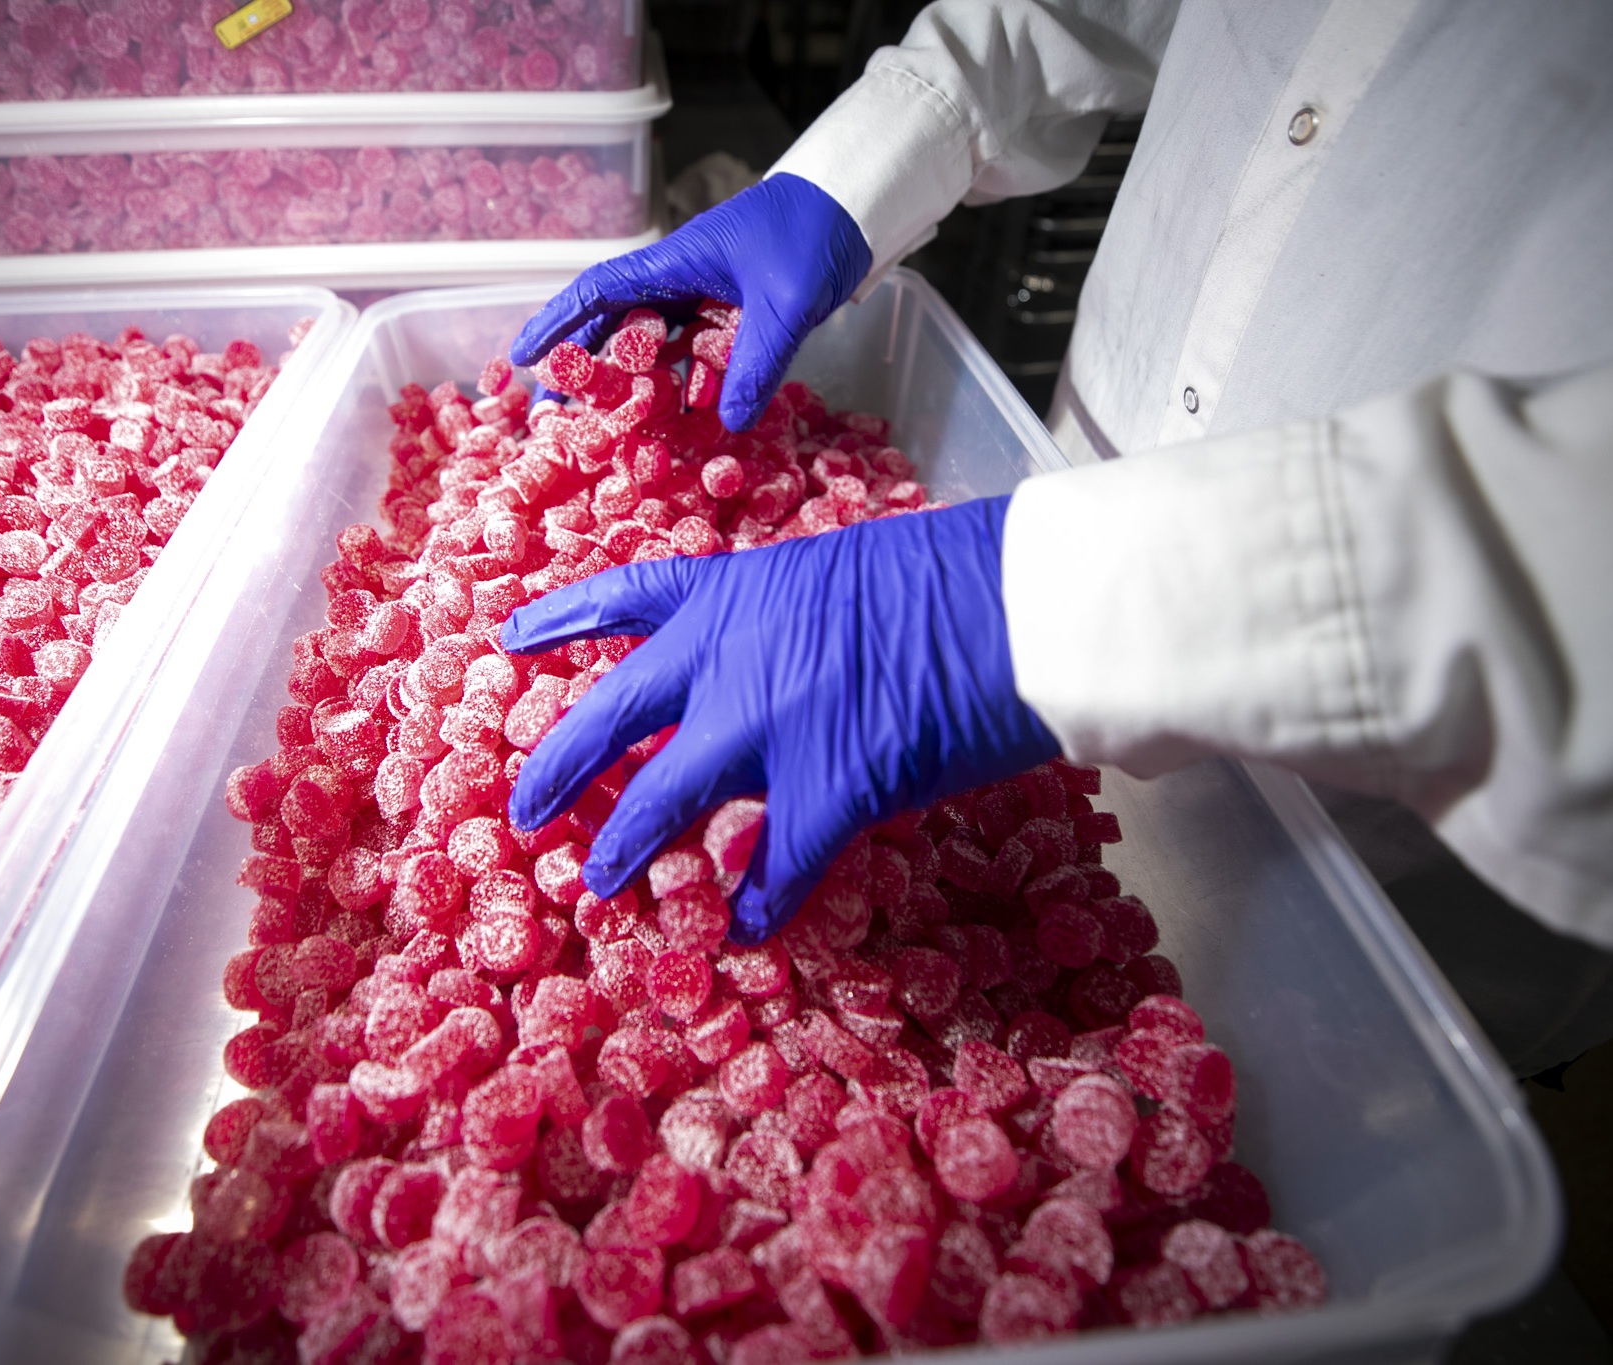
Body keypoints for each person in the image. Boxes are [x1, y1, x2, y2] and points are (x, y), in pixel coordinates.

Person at [499, 0, 1613, 1076]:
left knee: (1321, 1068)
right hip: (1073, 475)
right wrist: (858, 166)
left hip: (1443, 758)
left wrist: (1021, 601)